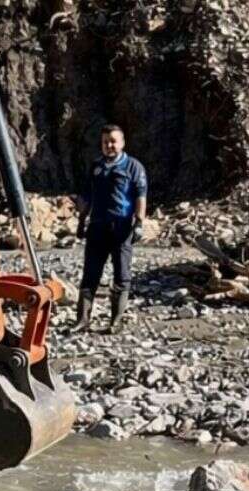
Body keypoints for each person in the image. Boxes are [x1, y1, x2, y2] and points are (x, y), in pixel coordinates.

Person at [73, 124, 148, 334]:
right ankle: (82, 320)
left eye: (113, 141)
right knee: (90, 275)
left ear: (122, 143)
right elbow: (87, 196)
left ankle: (115, 322)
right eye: (106, 142)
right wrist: (81, 220)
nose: (109, 145)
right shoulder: (96, 166)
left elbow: (141, 196)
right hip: (97, 227)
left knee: (121, 276)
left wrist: (139, 223)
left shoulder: (134, 167)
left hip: (121, 228)